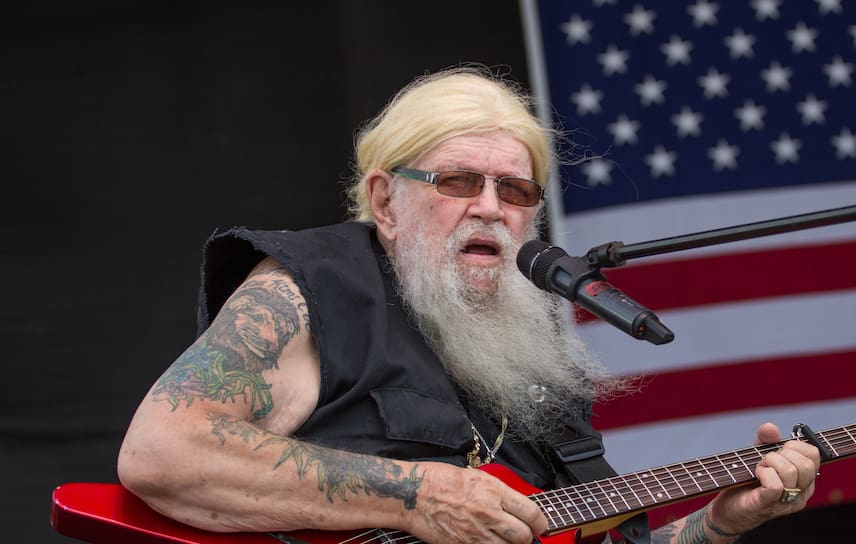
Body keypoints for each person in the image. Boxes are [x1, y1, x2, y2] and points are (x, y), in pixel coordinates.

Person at [117, 66, 820, 544]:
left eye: (515, 192)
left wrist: (721, 524)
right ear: (387, 200)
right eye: (459, 181)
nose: (489, 207)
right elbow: (163, 452)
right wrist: (420, 496)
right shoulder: (310, 286)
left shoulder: (532, 335)